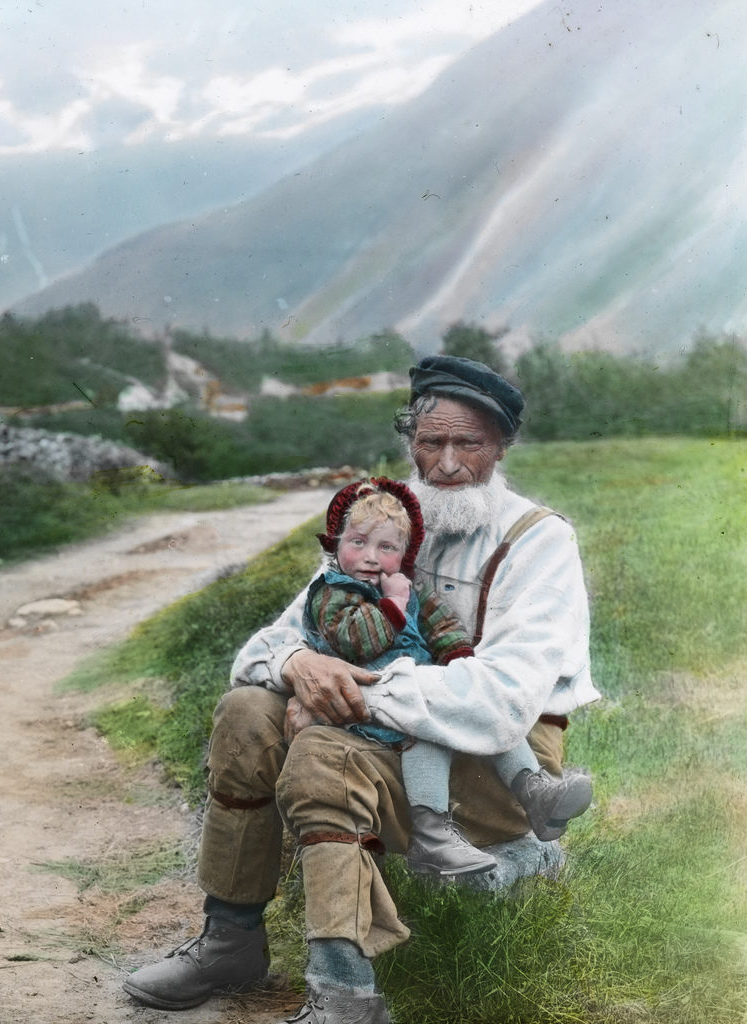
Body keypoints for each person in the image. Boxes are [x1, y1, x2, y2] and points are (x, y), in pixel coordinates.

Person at [123, 355, 601, 1024]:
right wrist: (298, 667)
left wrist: (347, 696)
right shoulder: (381, 522)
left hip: (495, 770)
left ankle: (345, 992)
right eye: (431, 442)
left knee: (324, 753)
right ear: (410, 440)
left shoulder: (538, 541)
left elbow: (500, 701)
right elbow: (270, 642)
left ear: (501, 445)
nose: (447, 464)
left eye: (469, 443)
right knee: (244, 711)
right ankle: (231, 938)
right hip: (386, 741)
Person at [305, 477, 592, 877]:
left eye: (386, 547)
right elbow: (356, 641)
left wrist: (458, 655)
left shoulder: (404, 586)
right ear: (335, 544)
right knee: (428, 729)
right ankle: (432, 834)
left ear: (404, 553)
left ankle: (535, 792)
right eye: (359, 543)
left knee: (476, 707)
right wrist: (393, 603)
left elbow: (440, 622)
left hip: (417, 687)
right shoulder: (333, 593)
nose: (370, 557)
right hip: (374, 700)